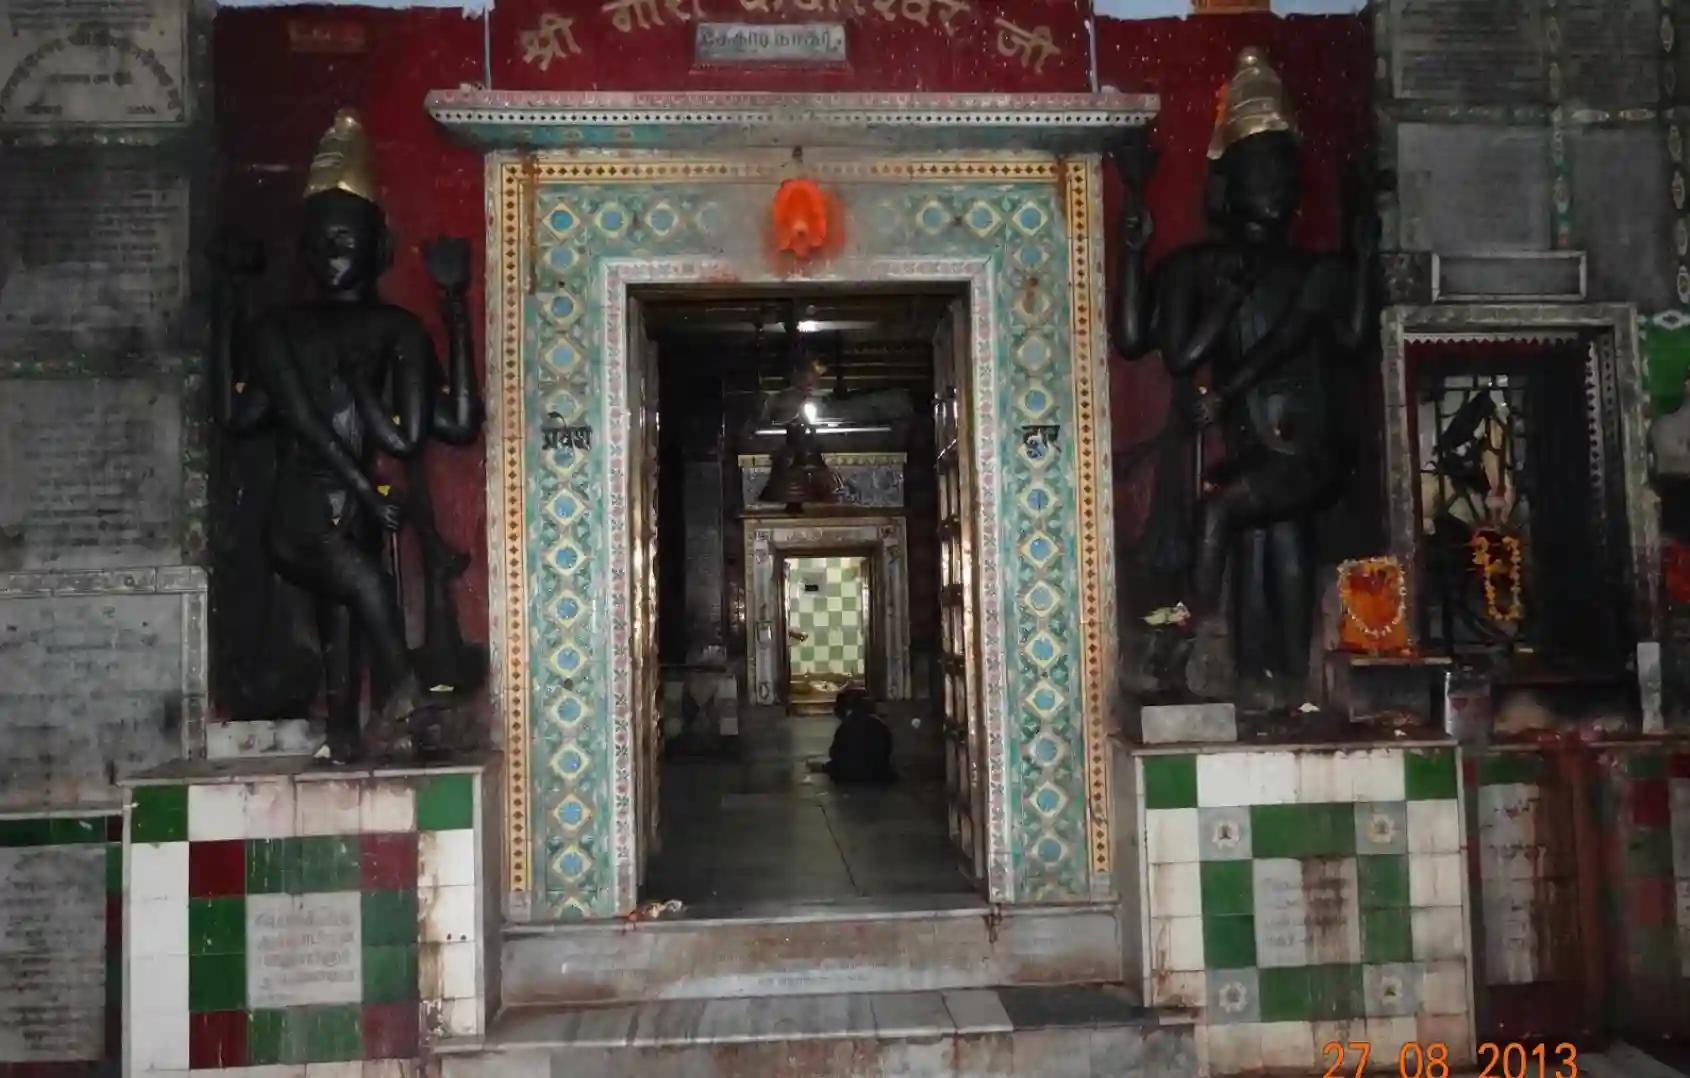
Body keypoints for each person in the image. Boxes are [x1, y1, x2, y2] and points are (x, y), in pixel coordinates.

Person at [824, 684, 895, 785]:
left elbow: (834, 753)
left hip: (849, 776)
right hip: (877, 775)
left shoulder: (845, 727)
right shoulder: (879, 725)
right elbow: (887, 750)